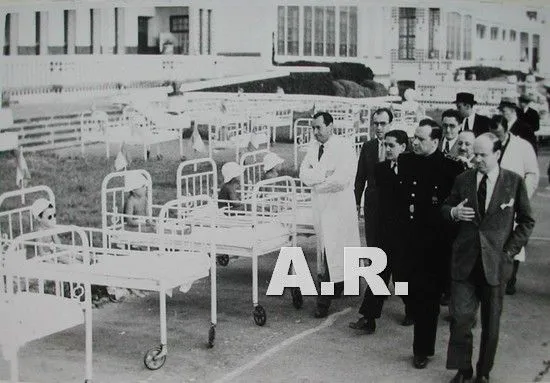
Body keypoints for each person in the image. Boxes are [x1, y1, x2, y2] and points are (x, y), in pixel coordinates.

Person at [443, 133, 535, 383]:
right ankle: (463, 370)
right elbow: (444, 208)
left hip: (496, 264)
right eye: (475, 153)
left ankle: (483, 372)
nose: (477, 159)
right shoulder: (463, 179)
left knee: (491, 325)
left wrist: (509, 251)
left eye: (483, 155)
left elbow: (527, 221)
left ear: (497, 154)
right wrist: (454, 212)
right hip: (465, 262)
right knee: (460, 320)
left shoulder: (513, 182)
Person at [397, 119, 463, 369]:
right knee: (404, 285)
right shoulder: (405, 161)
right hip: (407, 239)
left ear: (435, 141)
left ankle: (422, 349)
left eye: (421, 139)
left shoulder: (450, 168)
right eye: (414, 137)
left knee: (428, 298)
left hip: (434, 243)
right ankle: (415, 312)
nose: (415, 142)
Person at [349, 129, 412, 334]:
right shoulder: (381, 169)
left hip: (405, 233)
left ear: (403, 147)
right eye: (385, 145)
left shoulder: (414, 170)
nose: (387, 149)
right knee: (379, 272)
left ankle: (412, 309)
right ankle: (368, 319)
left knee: (402, 276)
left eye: (391, 145)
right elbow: (381, 204)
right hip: (386, 230)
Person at [300, 111, 360, 318]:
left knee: (334, 252)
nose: (315, 132)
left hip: (339, 207)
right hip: (322, 206)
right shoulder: (313, 147)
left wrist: (318, 183)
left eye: (319, 127)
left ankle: (323, 302)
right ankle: (335, 287)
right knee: (327, 252)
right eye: (313, 128)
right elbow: (303, 174)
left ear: (330, 126)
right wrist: (321, 176)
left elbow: (342, 178)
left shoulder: (343, 146)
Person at [488, 115, 539, 295]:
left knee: (514, 238)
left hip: (514, 199)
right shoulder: (487, 144)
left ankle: (510, 277)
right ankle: (493, 274)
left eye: (499, 135)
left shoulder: (522, 146)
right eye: (493, 134)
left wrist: (522, 196)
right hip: (490, 198)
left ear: (506, 130)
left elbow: (532, 173)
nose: (497, 139)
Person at [355, 108, 393, 246]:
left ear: (390, 124)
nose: (378, 127)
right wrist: (357, 202)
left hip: (393, 202)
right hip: (372, 202)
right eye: (375, 124)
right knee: (371, 240)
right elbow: (360, 177)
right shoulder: (368, 146)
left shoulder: (401, 146)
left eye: (383, 123)